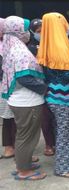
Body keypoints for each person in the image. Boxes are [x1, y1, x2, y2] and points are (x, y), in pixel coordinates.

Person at [37, 12, 69, 178]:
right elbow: (67, 76)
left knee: (63, 130)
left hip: (53, 96)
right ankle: (65, 168)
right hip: (63, 98)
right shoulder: (59, 47)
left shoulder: (46, 44)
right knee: (67, 132)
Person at [2, 16, 47, 180]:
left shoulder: (11, 46)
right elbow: (24, 78)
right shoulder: (19, 50)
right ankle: (23, 171)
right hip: (26, 102)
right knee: (27, 136)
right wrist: (45, 89)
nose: (28, 33)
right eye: (25, 29)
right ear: (18, 31)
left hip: (19, 99)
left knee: (24, 134)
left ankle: (23, 163)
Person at [27, 18, 55, 157]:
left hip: (55, 82)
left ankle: (57, 141)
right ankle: (49, 144)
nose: (41, 33)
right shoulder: (31, 47)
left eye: (43, 30)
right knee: (46, 116)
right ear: (32, 32)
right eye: (38, 31)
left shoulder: (52, 43)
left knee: (57, 115)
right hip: (41, 84)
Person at [0, 17, 16, 160]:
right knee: (8, 116)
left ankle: (12, 147)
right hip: (4, 85)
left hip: (7, 83)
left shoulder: (6, 43)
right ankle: (9, 147)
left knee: (12, 116)